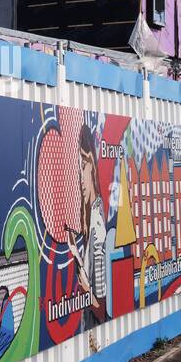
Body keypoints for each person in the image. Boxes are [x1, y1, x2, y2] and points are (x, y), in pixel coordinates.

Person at [67, 123, 107, 329]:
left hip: (94, 322)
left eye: (83, 166)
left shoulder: (97, 223)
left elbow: (99, 302)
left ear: (92, 164)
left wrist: (76, 258)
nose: (80, 178)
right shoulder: (88, 216)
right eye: (77, 168)